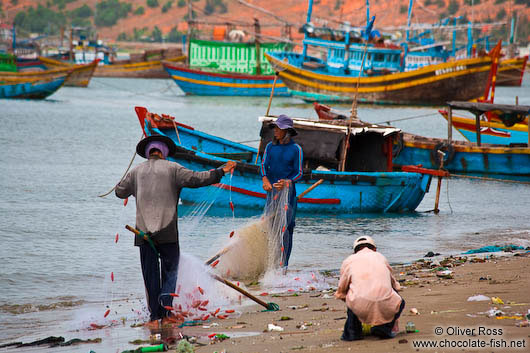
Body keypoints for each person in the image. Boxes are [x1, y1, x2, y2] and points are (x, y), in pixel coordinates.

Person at [115, 134, 236, 328]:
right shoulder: (173, 168)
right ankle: (167, 313)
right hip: (167, 231)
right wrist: (221, 171)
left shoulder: (136, 171)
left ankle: (154, 317)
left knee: (150, 274)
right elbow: (198, 179)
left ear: (148, 153)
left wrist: (129, 181)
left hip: (143, 233)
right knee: (170, 272)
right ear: (163, 153)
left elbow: (120, 192)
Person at [335, 236, 405, 341]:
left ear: (355, 251)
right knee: (400, 302)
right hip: (385, 303)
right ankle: (384, 328)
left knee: (352, 293)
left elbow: (342, 288)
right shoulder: (381, 257)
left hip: (359, 304)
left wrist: (345, 297)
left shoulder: (348, 261)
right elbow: (394, 284)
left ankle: (352, 332)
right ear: (374, 249)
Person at [260, 114, 303, 271]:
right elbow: (263, 165)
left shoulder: (296, 149)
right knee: (271, 227)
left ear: (288, 131)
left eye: (279, 128)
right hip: (272, 194)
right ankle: (271, 263)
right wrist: (265, 180)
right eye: (275, 128)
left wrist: (287, 182)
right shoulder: (270, 147)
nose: (276, 131)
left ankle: (283, 266)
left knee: (286, 228)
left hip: (288, 196)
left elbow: (299, 173)